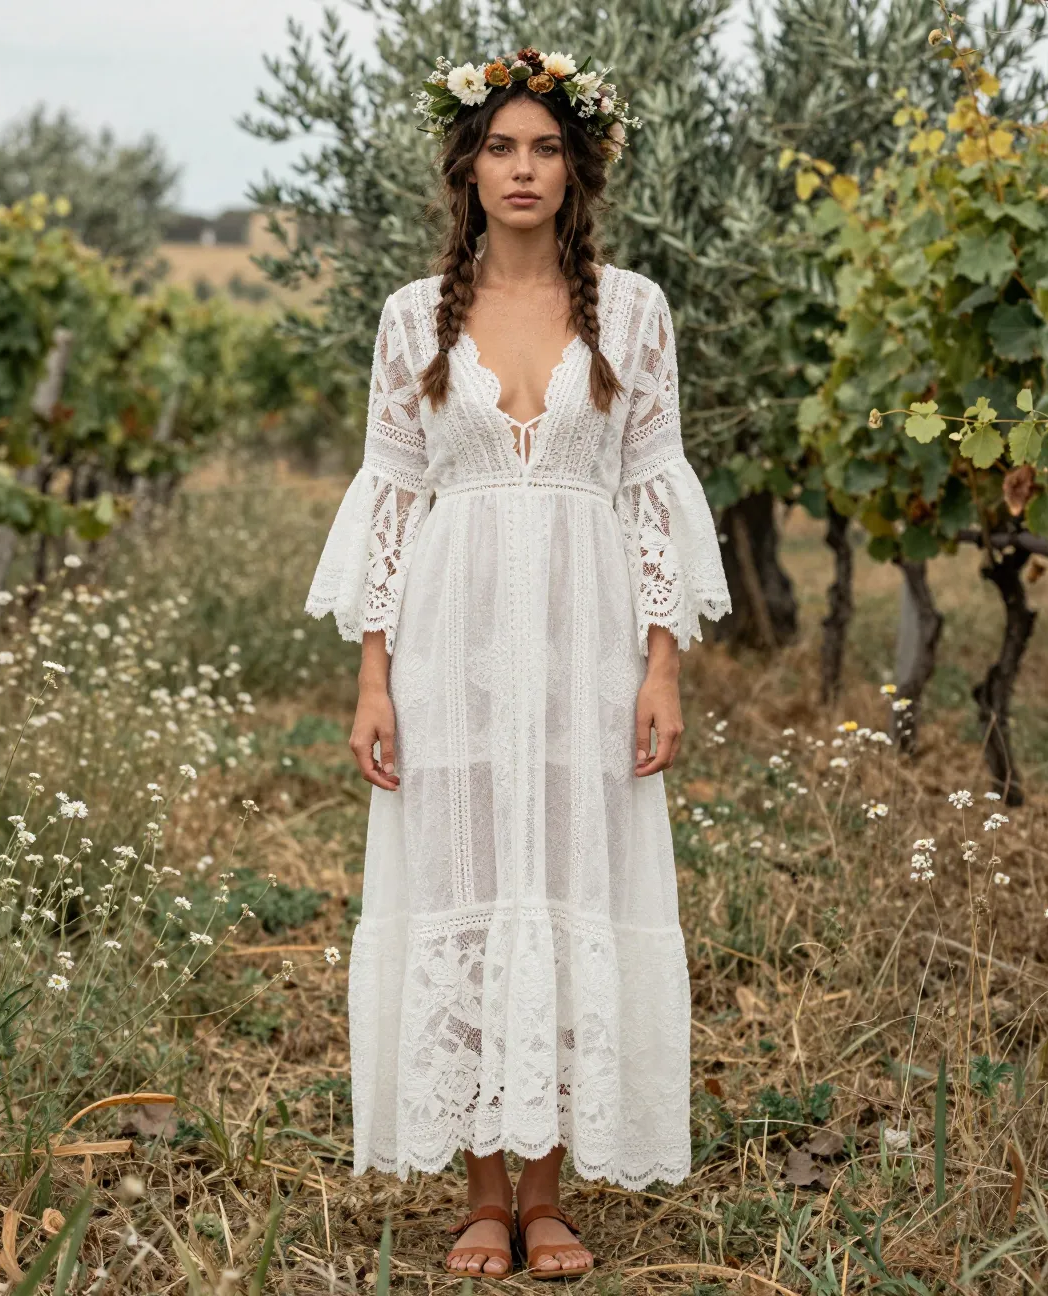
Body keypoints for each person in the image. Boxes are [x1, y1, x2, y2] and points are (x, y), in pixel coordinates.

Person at [303, 46, 732, 1280]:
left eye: (546, 147)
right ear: (468, 167)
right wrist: (375, 679)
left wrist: (664, 665)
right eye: (501, 147)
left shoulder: (637, 312)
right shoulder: (410, 320)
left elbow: (653, 499)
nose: (524, 168)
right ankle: (482, 1195)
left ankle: (548, 1194)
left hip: (592, 642)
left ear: (578, 165)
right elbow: (390, 505)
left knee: (570, 882)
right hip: (451, 640)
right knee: (469, 882)